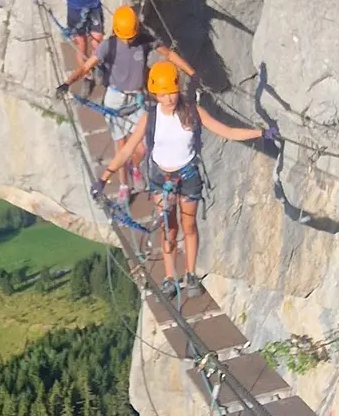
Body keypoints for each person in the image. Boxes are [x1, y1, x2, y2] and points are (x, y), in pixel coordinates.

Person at [94, 61, 279, 298]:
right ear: (155, 94)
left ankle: (190, 274)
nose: (168, 98)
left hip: (188, 176)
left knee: (189, 226)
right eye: (162, 94)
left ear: (177, 88)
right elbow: (127, 150)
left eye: (171, 92)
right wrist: (104, 178)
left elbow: (227, 131)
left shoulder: (193, 112)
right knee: (168, 228)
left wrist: (261, 133)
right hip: (161, 178)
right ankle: (170, 278)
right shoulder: (150, 117)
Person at [57, 6, 196, 203]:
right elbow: (87, 66)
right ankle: (124, 184)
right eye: (126, 37)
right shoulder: (109, 46)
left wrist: (191, 73)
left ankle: (135, 167)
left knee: (144, 145)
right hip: (116, 98)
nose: (129, 41)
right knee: (121, 144)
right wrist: (67, 83)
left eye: (131, 37)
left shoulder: (144, 40)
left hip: (137, 97)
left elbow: (169, 54)